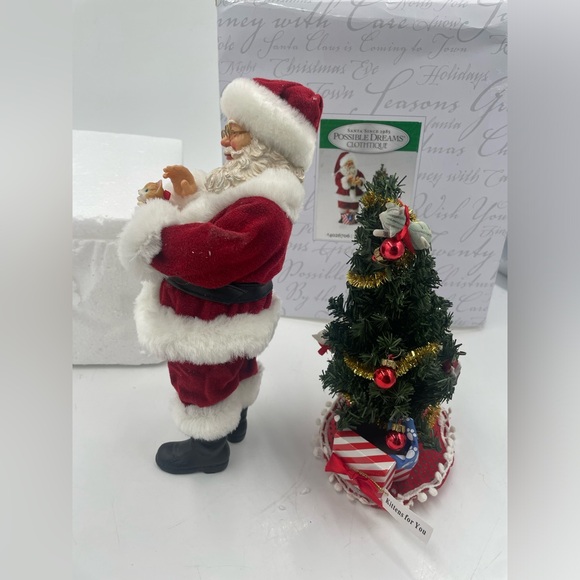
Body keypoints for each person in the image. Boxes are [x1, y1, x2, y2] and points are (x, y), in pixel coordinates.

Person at [117, 77, 323, 475]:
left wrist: (155, 235)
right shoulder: (247, 187)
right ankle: (236, 420)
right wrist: (184, 194)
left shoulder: (266, 210)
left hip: (208, 316)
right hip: (230, 315)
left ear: (267, 141)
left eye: (236, 131)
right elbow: (215, 211)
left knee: (200, 378)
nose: (224, 141)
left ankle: (208, 449)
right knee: (235, 369)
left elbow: (210, 252)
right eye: (225, 130)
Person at [334, 152, 365, 224]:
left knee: (354, 206)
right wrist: (346, 180)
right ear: (343, 164)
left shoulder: (357, 172)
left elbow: (362, 179)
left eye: (351, 163)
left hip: (355, 193)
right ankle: (343, 217)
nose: (349, 165)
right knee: (343, 206)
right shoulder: (340, 173)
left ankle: (352, 218)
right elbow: (337, 182)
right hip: (343, 194)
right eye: (347, 163)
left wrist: (360, 181)